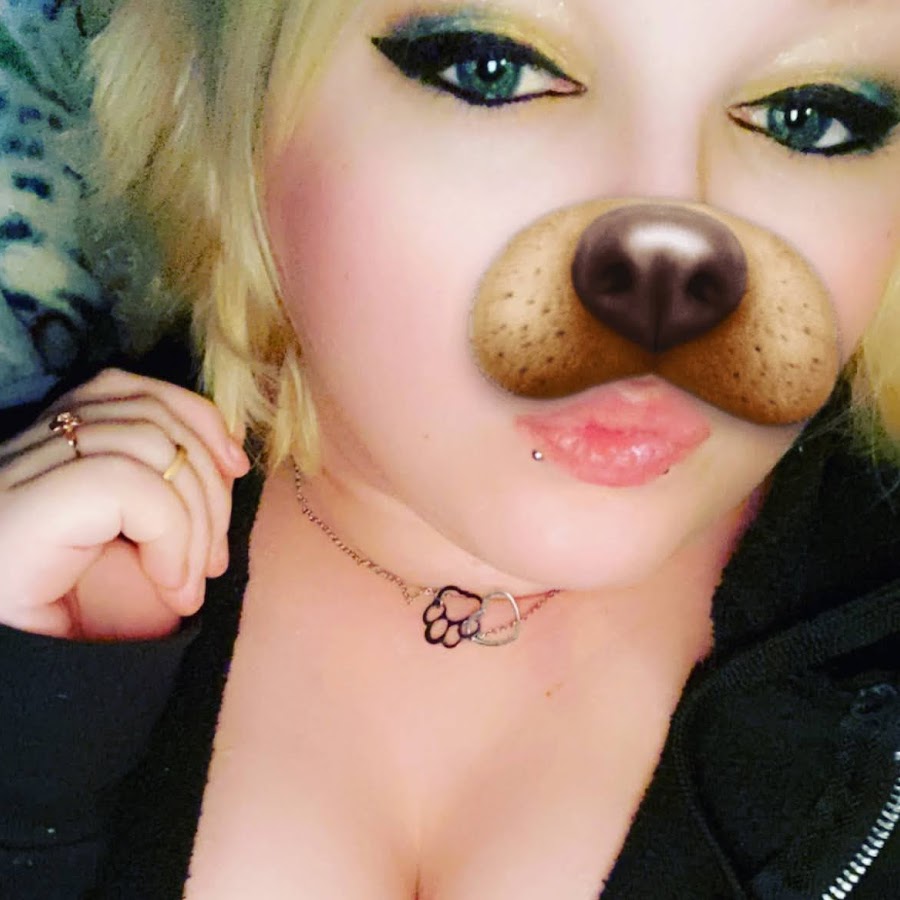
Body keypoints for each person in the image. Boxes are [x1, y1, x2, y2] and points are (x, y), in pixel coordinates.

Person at [1, 0, 899, 897]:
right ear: (232, 96)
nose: (668, 277)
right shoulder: (38, 574)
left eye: (807, 118)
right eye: (492, 71)